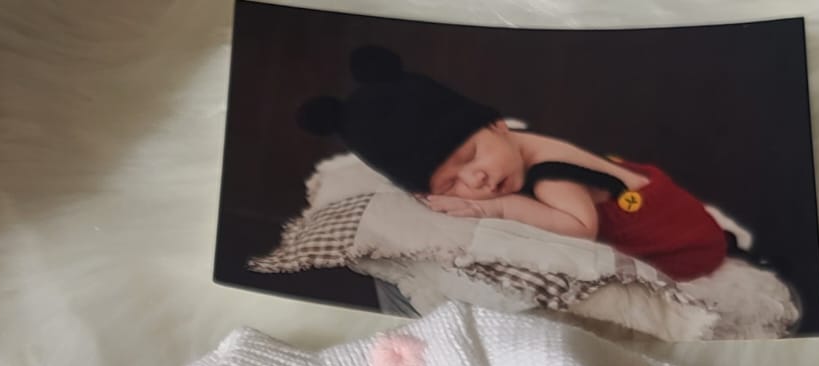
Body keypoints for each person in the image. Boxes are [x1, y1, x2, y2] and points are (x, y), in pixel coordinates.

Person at [299, 45, 731, 283]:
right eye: (450, 184)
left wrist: (498, 208)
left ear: (498, 124)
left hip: (679, 241)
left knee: (681, 275)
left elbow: (582, 228)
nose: (477, 178)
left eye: (470, 156)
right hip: (644, 197)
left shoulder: (550, 175)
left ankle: (724, 248)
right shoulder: (510, 148)